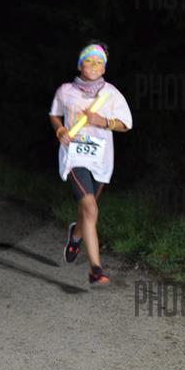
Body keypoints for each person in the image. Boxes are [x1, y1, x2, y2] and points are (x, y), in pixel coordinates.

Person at [48, 41, 133, 286]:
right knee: (91, 209)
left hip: (101, 161)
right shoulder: (65, 91)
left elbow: (126, 124)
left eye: (99, 62)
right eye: (88, 61)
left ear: (104, 68)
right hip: (75, 157)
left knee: (87, 211)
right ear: (80, 65)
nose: (94, 66)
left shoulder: (111, 94)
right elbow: (54, 114)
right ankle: (95, 268)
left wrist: (102, 121)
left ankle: (76, 235)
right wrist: (60, 129)